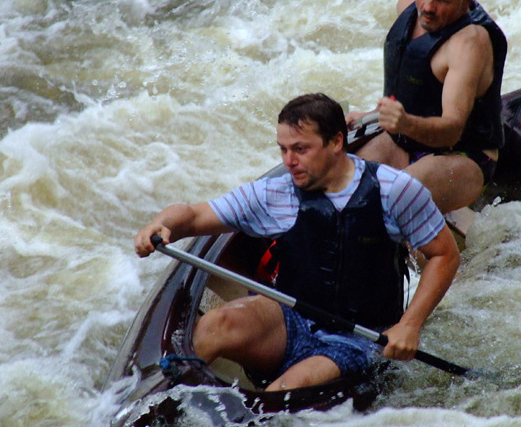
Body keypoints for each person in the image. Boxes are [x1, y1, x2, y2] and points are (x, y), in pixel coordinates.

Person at [134, 93, 460, 392]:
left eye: (300, 149)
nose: (289, 161)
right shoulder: (276, 194)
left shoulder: (395, 190)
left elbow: (444, 255)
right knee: (217, 324)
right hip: (290, 319)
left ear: (336, 142)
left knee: (286, 390)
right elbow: (193, 215)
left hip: (360, 337)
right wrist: (161, 225)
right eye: (283, 149)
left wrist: (409, 325)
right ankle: (164, 395)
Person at [347, 0, 508, 214]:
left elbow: (453, 129)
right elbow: (413, 91)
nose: (428, 7)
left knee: (389, 202)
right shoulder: (407, 7)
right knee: (343, 184)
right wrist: (372, 116)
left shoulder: (469, 44)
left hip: (462, 156)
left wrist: (405, 123)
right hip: (405, 140)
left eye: (442, 0)